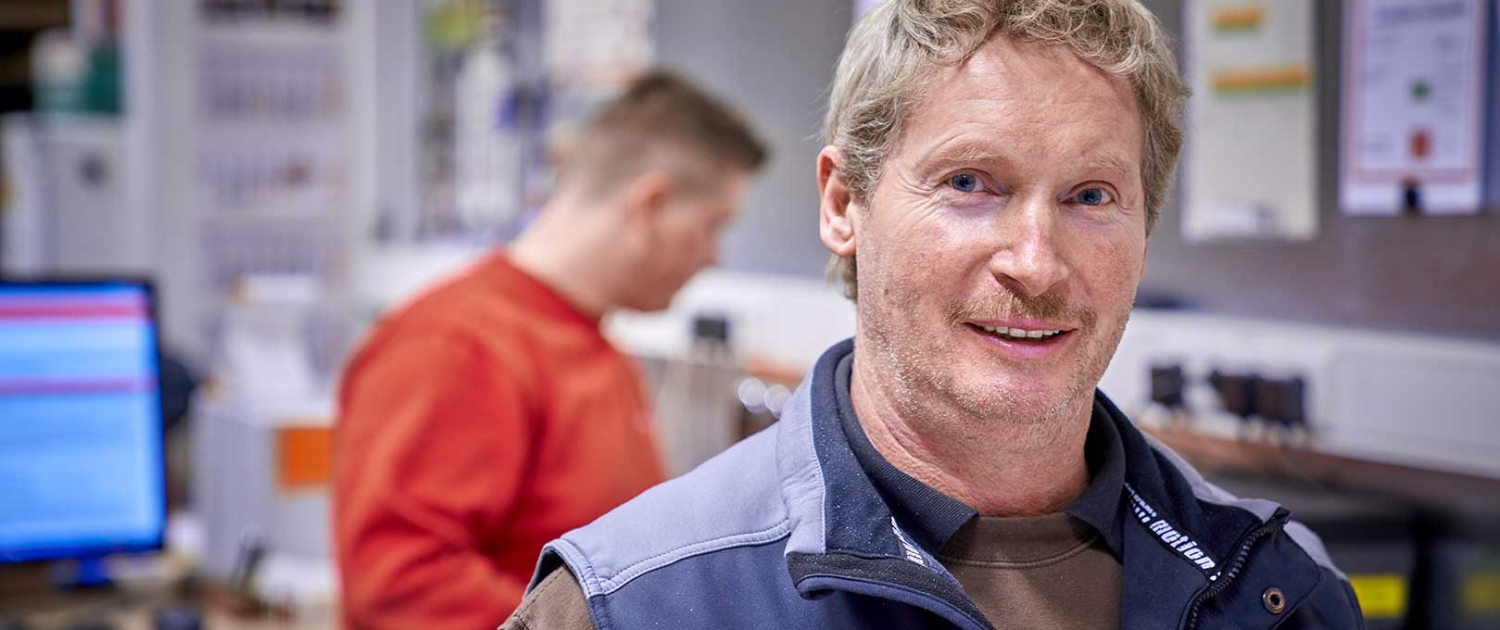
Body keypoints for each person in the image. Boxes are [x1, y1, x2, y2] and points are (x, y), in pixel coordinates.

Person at [502, 1, 1364, 629]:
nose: (1037, 262)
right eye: (970, 184)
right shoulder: (638, 604)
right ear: (844, 202)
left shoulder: (1277, 590)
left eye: (1091, 195)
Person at [333, 71, 767, 629]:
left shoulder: (592, 342)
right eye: (713, 225)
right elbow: (401, 587)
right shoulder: (455, 346)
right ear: (650, 204)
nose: (713, 256)